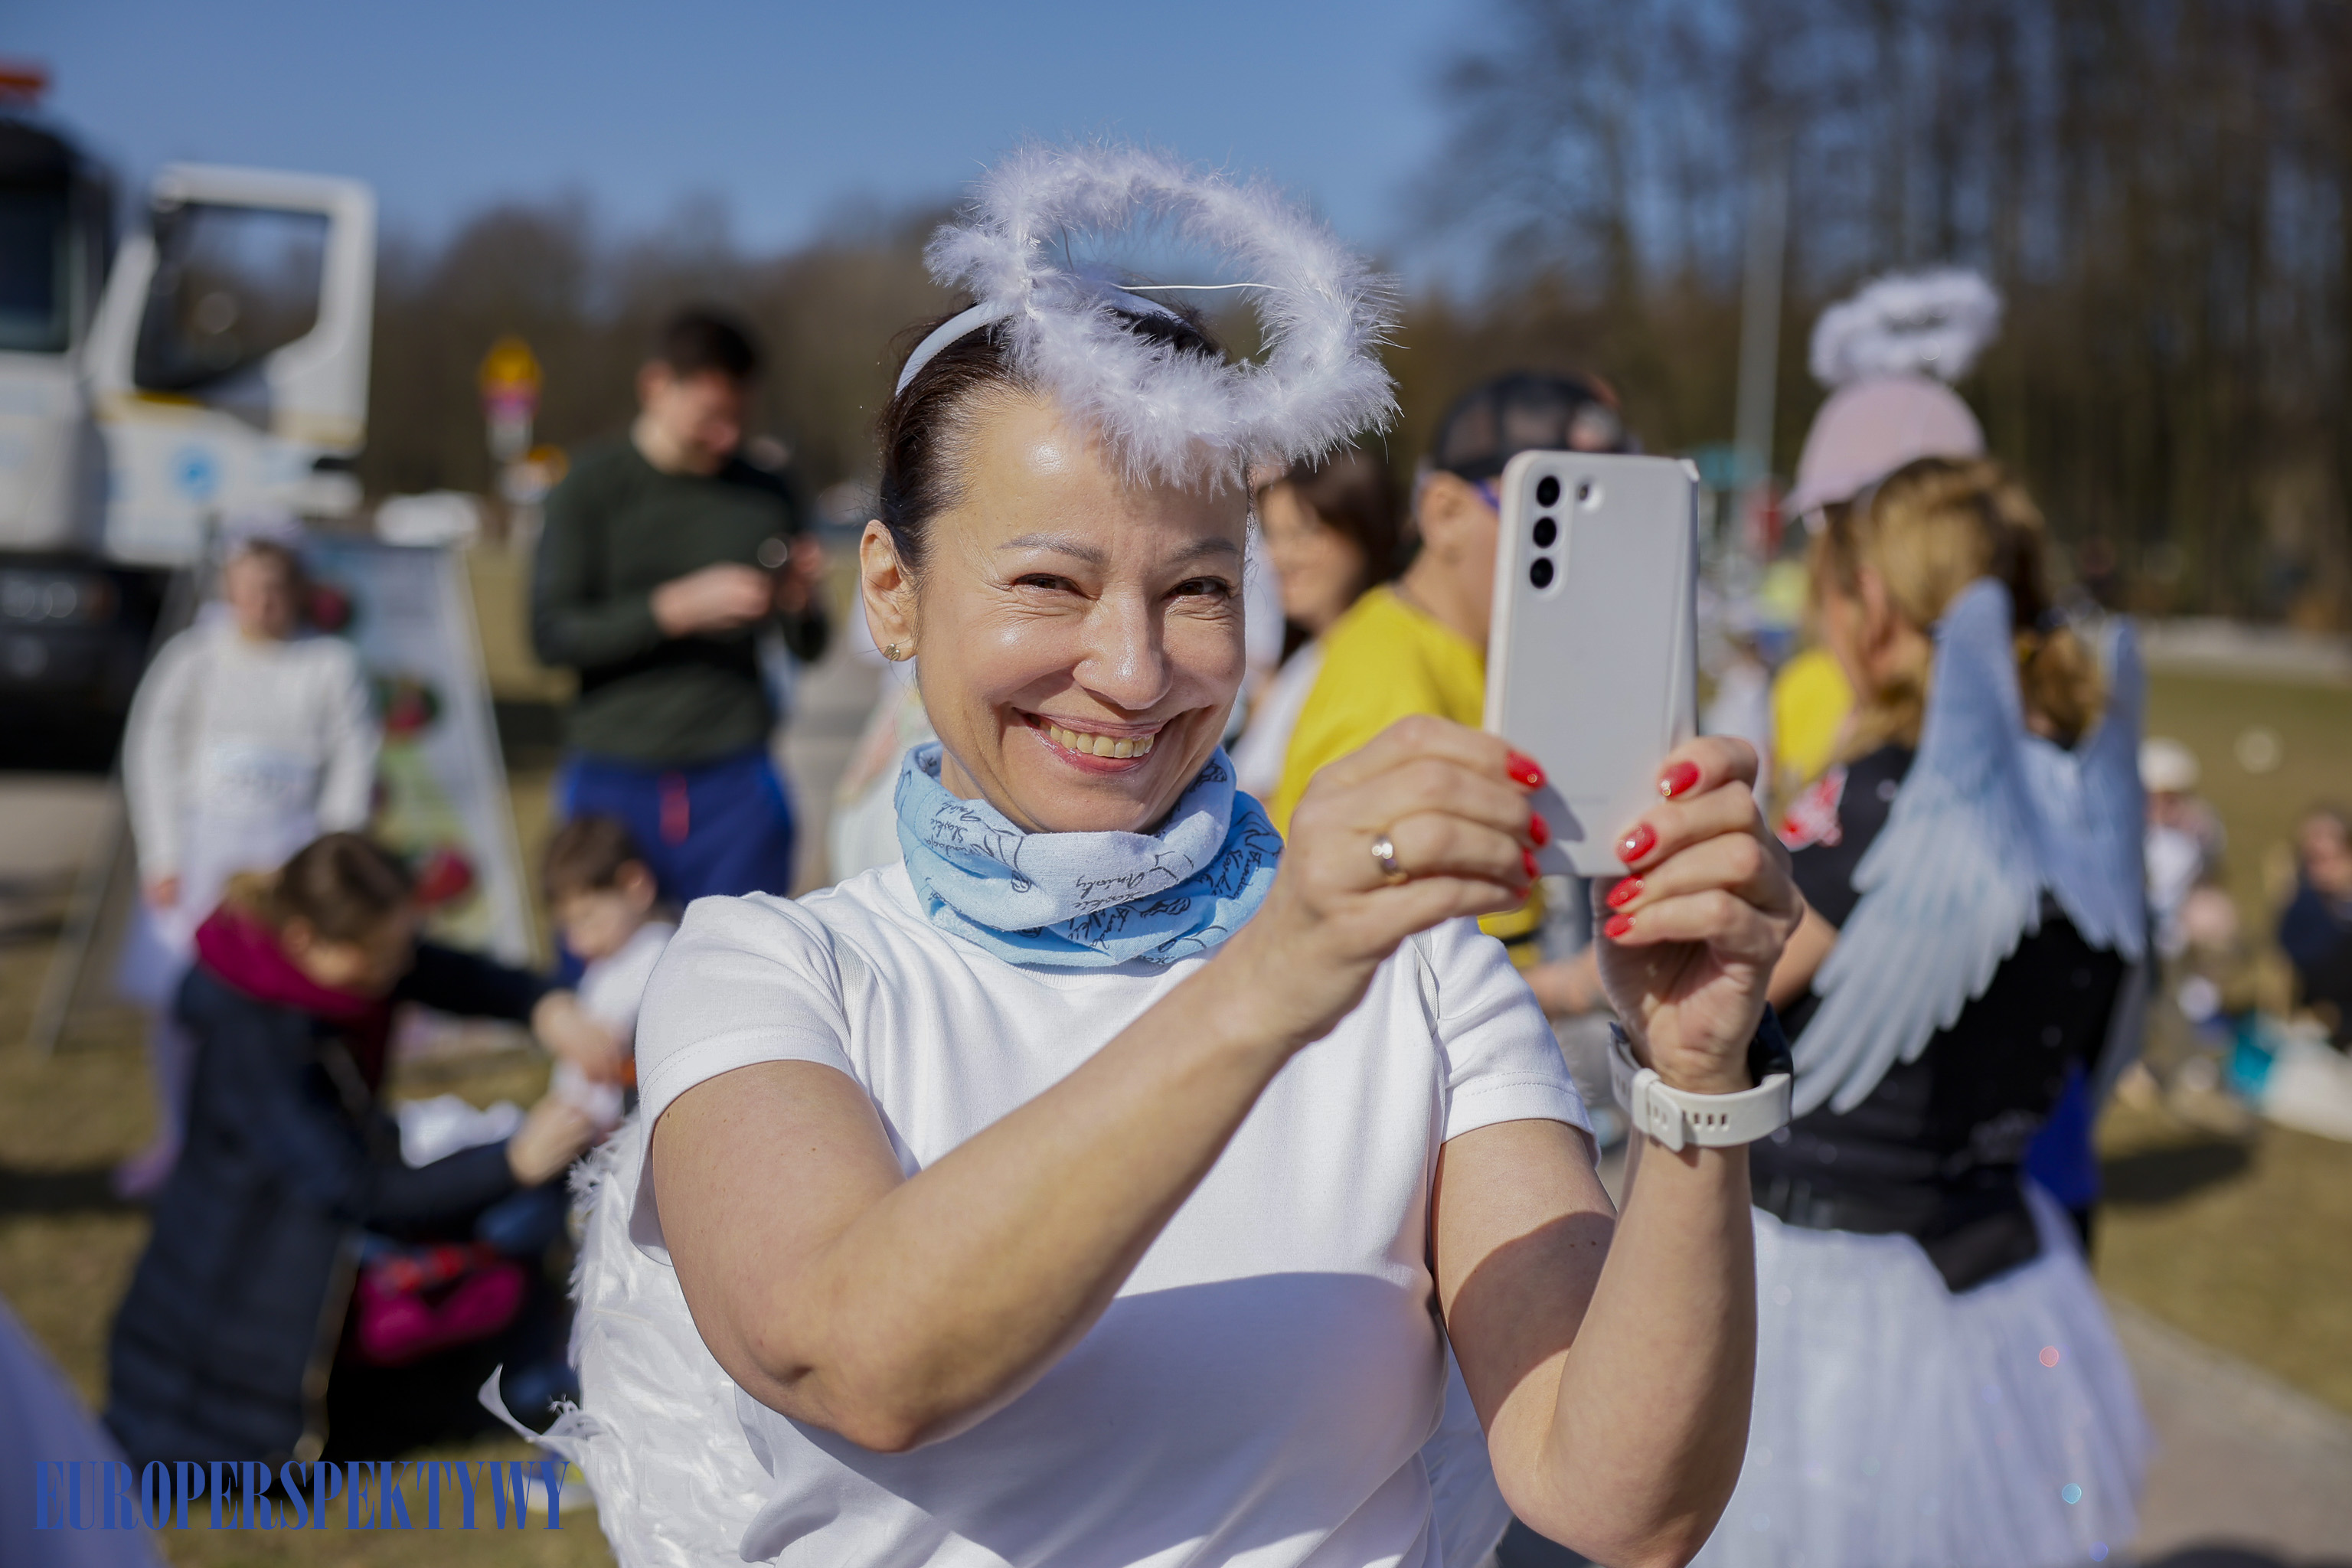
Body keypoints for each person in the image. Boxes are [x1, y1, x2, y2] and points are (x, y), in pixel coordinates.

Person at [545, 145, 1802, 1568]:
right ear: (892, 593)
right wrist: (1275, 974)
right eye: (1048, 582)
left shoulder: (1430, 979)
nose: (1135, 671)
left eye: (1196, 588)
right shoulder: (770, 967)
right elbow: (859, 1357)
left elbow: (1618, 1503)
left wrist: (1697, 1090)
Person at [1711, 456, 2151, 1567]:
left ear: (1872, 606)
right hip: (2002, 1277)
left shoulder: (1880, 799)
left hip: (1841, 1288)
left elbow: (1729, 993)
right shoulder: (2080, 784)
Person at [103, 833, 605, 1465]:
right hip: (255, 1284)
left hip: (313, 1233)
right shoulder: (255, 1036)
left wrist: (545, 1005)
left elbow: (449, 972)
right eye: (382, 955)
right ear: (308, 942)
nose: (400, 968)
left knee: (522, 1211)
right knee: (520, 1215)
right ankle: (527, 1388)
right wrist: (514, 1162)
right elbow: (357, 1191)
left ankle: (519, 1377)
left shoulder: (333, 964)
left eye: (403, 944)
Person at [531, 306, 829, 920]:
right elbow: (550, 636)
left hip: (736, 777)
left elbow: (809, 645)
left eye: (738, 419)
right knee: (607, 978)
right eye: (709, 418)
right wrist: (675, 609)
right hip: (612, 773)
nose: (725, 437)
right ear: (656, 387)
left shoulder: (768, 490)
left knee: (742, 975)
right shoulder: (590, 487)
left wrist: (801, 605)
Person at [115, 528, 379, 1197]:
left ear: (298, 591)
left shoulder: (330, 665)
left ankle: (283, 1136)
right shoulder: (192, 658)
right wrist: (164, 853)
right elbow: (152, 752)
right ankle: (178, 1134)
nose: (264, 601)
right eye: (251, 586)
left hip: (288, 858)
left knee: (285, 1005)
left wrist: (327, 864)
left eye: (277, 587)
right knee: (181, 1005)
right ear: (230, 589)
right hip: (204, 854)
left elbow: (353, 762)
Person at [1230, 446, 1403, 801]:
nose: (1279, 556)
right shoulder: (1307, 659)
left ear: (1363, 529)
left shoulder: (1376, 657)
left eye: (1304, 533)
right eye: (1274, 535)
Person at [542, 815, 677, 1126]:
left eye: (587, 918)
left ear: (635, 886)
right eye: (568, 927)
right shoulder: (610, 961)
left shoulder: (656, 955)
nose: (576, 943)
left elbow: (614, 1049)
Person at [2278, 804, 2352, 1047]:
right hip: (2324, 1019)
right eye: (2312, 858)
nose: (2320, 868)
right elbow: (2303, 954)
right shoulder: (2304, 906)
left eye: (2327, 857)